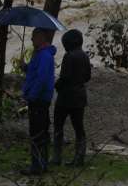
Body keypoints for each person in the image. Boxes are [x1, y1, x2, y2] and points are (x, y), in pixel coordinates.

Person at [51, 29, 91, 167]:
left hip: (66, 97)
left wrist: (57, 85)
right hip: (80, 96)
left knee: (58, 126)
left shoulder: (69, 56)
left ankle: (56, 157)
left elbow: (64, 77)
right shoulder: (85, 56)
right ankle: (79, 158)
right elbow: (87, 77)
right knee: (79, 128)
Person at [20, 27, 57, 175]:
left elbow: (41, 79)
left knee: (37, 132)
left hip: (39, 99)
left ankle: (37, 165)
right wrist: (26, 67)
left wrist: (32, 96)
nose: (31, 40)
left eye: (34, 37)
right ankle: (42, 163)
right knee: (41, 131)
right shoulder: (41, 54)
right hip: (40, 98)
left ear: (42, 38)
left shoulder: (45, 56)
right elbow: (35, 72)